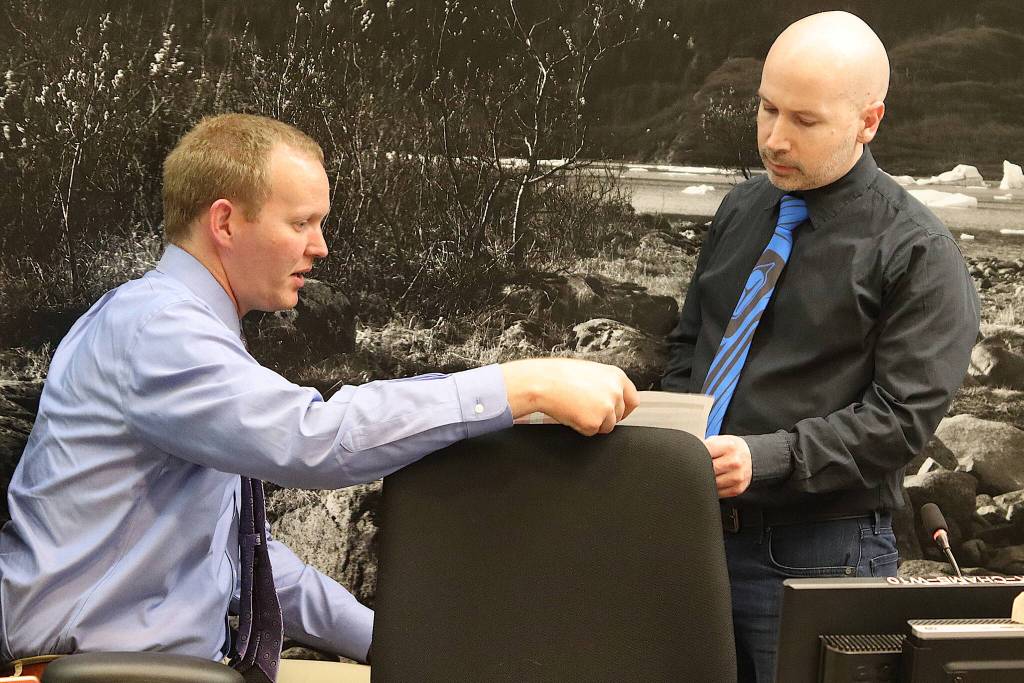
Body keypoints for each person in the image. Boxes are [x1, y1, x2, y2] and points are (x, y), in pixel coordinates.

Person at [0, 113, 639, 680]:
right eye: (301, 222)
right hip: (102, 673)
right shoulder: (159, 333)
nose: (320, 246)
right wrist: (523, 384)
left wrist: (393, 645)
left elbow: (237, 556)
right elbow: (315, 438)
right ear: (225, 221)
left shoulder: (173, 326)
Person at [661, 11, 979, 682]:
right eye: (766, 108)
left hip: (819, 554)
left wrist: (764, 457)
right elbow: (691, 343)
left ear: (869, 121)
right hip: (684, 535)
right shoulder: (742, 210)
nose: (774, 138)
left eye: (804, 121)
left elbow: (901, 423)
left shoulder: (920, 252)